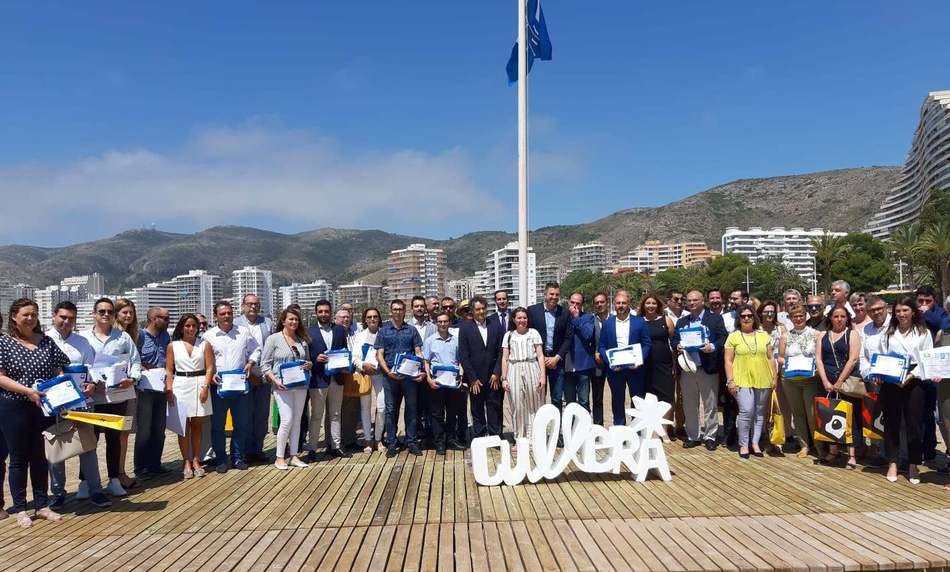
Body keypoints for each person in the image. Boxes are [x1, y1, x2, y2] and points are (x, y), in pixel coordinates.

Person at [0, 299, 71, 528]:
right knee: (18, 459)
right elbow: (0, 377)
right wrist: (27, 391)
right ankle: (20, 508)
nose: (30, 319)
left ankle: (42, 505)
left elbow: (60, 368)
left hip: (44, 407)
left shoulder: (47, 342)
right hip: (14, 406)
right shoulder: (3, 343)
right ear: (14, 316)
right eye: (26, 315)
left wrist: (64, 392)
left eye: (34, 314)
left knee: (41, 456)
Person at [46, 302, 111, 510]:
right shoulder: (43, 340)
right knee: (56, 449)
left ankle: (96, 490)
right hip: (55, 403)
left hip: (82, 402)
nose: (66, 322)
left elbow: (92, 369)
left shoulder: (83, 342)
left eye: (71, 318)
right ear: (54, 315)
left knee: (88, 447)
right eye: (63, 317)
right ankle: (57, 493)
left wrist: (92, 384)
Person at [867, 296, 936, 484]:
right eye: (898, 311)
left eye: (905, 310)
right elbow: (880, 357)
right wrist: (881, 375)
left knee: (914, 424)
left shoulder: (923, 332)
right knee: (891, 423)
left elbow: (926, 359)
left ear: (913, 311)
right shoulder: (889, 333)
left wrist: (911, 376)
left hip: (915, 380)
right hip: (892, 380)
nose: (901, 314)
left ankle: (914, 464)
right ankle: (893, 462)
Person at [82, 297, 141, 497]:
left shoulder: (123, 337)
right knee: (90, 440)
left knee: (114, 439)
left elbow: (135, 361)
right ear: (94, 314)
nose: (106, 314)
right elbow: (83, 364)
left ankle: (114, 479)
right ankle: (84, 482)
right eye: (101, 311)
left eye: (109, 311)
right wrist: (90, 383)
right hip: (93, 398)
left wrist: (132, 378)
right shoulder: (84, 338)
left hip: (117, 396)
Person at [205, 301, 258, 473]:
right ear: (216, 316)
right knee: (217, 426)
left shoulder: (243, 332)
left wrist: (251, 362)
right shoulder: (209, 335)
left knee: (241, 424)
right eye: (222, 314)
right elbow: (205, 360)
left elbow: (256, 349)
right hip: (218, 386)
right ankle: (221, 459)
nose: (227, 316)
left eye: (229, 313)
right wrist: (210, 374)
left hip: (240, 386)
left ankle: (238, 457)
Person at [671, 290, 728, 450]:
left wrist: (713, 346)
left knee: (710, 405)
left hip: (707, 368)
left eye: (695, 300)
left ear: (703, 301)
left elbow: (723, 337)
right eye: (689, 301)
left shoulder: (715, 319)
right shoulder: (682, 321)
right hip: (688, 369)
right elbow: (674, 338)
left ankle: (710, 436)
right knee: (689, 404)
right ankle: (693, 436)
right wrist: (677, 345)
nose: (691, 303)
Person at [262, 307, 313, 470]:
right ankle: (279, 457)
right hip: (281, 386)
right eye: (290, 319)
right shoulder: (273, 339)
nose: (294, 322)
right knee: (286, 420)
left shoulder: (302, 340)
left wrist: (309, 365)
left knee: (297, 420)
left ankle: (294, 455)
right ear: (283, 321)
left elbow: (308, 361)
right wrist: (274, 380)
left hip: (301, 385)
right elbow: (264, 364)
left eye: (296, 319)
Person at [165, 314, 214, 479]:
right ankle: (186, 460)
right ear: (181, 327)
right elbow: (169, 370)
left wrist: (206, 387)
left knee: (197, 426)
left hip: (200, 383)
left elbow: (209, 368)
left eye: (194, 325)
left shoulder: (204, 344)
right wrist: (169, 389)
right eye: (187, 325)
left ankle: (196, 459)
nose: (191, 328)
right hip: (180, 384)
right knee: (183, 427)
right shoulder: (173, 346)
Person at [724, 305, 776, 459]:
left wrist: (774, 377)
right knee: (746, 411)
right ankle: (744, 444)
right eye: (743, 316)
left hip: (763, 377)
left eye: (749, 316)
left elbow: (770, 358)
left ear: (754, 318)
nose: (746, 318)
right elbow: (728, 360)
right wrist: (730, 380)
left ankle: (755, 443)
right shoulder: (733, 336)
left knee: (760, 412)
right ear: (739, 319)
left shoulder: (763, 335)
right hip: (741, 378)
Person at [376, 299, 425, 457]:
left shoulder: (411, 330)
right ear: (391, 311)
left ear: (405, 311)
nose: (397, 312)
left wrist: (420, 371)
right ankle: (392, 442)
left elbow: (418, 352)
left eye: (400, 309)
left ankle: (411, 441)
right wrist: (387, 371)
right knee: (391, 410)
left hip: (409, 376)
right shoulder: (383, 331)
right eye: (395, 309)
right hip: (390, 376)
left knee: (411, 408)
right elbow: (379, 354)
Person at [814, 306, 863, 468]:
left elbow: (853, 359)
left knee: (851, 417)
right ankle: (833, 450)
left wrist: (840, 381)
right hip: (827, 380)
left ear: (847, 318)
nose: (839, 319)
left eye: (843, 316)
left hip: (847, 381)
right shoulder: (823, 335)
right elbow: (819, 359)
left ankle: (852, 454)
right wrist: (825, 381)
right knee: (829, 415)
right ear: (830, 318)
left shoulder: (852, 334)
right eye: (836, 316)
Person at [597, 290, 653, 427]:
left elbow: (647, 344)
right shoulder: (607, 324)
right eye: (618, 303)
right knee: (617, 400)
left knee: (638, 401)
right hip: (615, 370)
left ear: (628, 304)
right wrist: (609, 360)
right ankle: (620, 430)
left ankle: (638, 430)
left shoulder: (639, 322)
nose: (621, 305)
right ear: (614, 305)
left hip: (635, 369)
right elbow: (602, 346)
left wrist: (639, 360)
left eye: (624, 303)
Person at [305, 300, 349, 460]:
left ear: (331, 312)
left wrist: (345, 363)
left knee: (336, 414)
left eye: (326, 311)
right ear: (316, 313)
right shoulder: (309, 332)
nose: (323, 314)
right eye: (320, 311)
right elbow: (306, 356)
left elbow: (344, 351)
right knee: (317, 415)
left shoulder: (339, 330)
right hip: (318, 379)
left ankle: (336, 446)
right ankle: (312, 449)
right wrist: (316, 358)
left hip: (337, 378)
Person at [234, 294, 274, 464]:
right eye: (249, 304)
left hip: (264, 375)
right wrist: (249, 375)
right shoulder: (235, 323)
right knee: (244, 416)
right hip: (243, 376)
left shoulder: (268, 323)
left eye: (256, 304)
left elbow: (271, 348)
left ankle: (257, 449)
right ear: (243, 306)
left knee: (261, 415)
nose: (253, 307)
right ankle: (242, 451)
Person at [459, 296, 505, 440]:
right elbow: (464, 355)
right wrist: (472, 378)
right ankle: (479, 435)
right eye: (478, 309)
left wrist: (497, 373)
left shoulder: (496, 325)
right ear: (472, 311)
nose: (481, 311)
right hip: (475, 378)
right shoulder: (465, 328)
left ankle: (495, 435)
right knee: (477, 408)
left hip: (493, 377)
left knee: (494, 406)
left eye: (483, 308)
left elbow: (501, 351)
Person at [779, 303, 820, 458]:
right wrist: (786, 362)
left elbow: (819, 356)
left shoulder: (816, 334)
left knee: (811, 413)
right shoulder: (785, 336)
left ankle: (818, 445)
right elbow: (781, 357)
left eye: (801, 315)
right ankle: (804, 445)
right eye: (794, 316)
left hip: (810, 379)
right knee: (798, 413)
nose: (798, 319)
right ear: (790, 318)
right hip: (790, 379)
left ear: (805, 316)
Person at [134, 306, 171, 479]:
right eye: (165, 318)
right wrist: (142, 369)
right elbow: (134, 360)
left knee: (159, 427)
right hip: (146, 387)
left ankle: (155, 463)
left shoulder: (165, 336)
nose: (168, 320)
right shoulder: (140, 336)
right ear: (154, 319)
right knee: (144, 429)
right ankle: (140, 467)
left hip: (162, 386)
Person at [423, 312, 465, 455]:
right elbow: (426, 362)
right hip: (437, 382)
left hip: (452, 382)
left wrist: (461, 376)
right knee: (437, 414)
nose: (442, 324)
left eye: (445, 321)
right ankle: (440, 442)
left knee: (452, 412)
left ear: (449, 322)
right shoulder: (429, 341)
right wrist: (428, 379)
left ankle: (451, 439)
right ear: (436, 323)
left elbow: (461, 361)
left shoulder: (456, 340)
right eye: (440, 321)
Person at [500, 307, 546, 440]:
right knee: (517, 405)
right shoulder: (508, 335)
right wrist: (504, 378)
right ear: (514, 319)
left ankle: (534, 437)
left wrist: (542, 376)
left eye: (524, 318)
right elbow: (505, 358)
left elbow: (540, 356)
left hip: (531, 366)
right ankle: (519, 437)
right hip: (514, 368)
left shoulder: (534, 333)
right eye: (519, 318)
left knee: (534, 403)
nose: (522, 320)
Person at [916, 285, 950, 460]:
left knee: (933, 414)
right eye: (920, 301)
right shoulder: (911, 312)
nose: (923, 304)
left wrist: (925, 313)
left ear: (934, 301)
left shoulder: (940, 314)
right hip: (916, 370)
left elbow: (945, 325)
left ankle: (929, 450)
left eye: (927, 301)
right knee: (919, 413)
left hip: (936, 372)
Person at [527, 282, 571, 415]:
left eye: (557, 294)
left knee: (557, 398)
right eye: (551, 294)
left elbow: (568, 338)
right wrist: (540, 357)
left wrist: (557, 358)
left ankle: (556, 430)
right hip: (537, 361)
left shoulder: (564, 312)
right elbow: (528, 336)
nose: (554, 297)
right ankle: (539, 428)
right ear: (545, 295)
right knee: (538, 397)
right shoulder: (532, 311)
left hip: (557, 362)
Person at [858, 295, 890, 467]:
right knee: (876, 416)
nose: (876, 312)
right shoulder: (866, 329)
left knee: (895, 416)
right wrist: (869, 374)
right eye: (872, 310)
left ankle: (898, 453)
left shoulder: (895, 324)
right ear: (868, 312)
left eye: (879, 308)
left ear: (885, 307)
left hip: (895, 380)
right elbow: (862, 356)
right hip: (874, 380)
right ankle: (879, 452)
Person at [757, 300, 793, 453]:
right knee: (763, 406)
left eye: (772, 311)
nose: (770, 314)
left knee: (780, 405)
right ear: (761, 313)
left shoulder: (781, 328)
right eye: (766, 311)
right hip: (760, 369)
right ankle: (766, 436)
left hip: (779, 370)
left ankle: (780, 438)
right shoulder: (756, 328)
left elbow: (786, 347)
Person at [113, 298, 140, 489]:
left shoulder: (131, 335)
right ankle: (117, 473)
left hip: (128, 388)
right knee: (114, 435)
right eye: (124, 312)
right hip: (109, 390)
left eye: (131, 313)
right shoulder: (115, 336)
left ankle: (120, 471)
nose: (128, 316)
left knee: (124, 434)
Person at [639, 294, 675, 435]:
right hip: (645, 365)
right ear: (643, 306)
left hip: (664, 364)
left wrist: (674, 365)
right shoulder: (639, 322)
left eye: (653, 303)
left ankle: (664, 430)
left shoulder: (666, 320)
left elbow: (673, 342)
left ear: (658, 305)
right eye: (648, 303)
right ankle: (651, 429)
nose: (651, 305)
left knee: (666, 397)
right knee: (648, 397)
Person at [352, 307, 386, 452]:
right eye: (369, 317)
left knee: (382, 406)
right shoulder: (359, 336)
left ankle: (378, 439)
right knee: (365, 408)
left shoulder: (384, 334)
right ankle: (367, 440)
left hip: (380, 375)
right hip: (364, 375)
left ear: (379, 319)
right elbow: (354, 358)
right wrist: (363, 365)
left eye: (375, 317)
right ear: (365, 320)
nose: (372, 319)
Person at [409, 296, 437, 449]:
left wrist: (428, 371)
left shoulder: (432, 326)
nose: (419, 309)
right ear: (412, 308)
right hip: (411, 374)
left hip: (429, 372)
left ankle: (430, 436)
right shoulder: (406, 326)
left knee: (429, 406)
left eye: (421, 306)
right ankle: (414, 436)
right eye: (416, 306)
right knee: (413, 407)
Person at [564, 292, 596, 412]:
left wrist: (577, 318)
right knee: (569, 402)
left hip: (583, 366)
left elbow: (588, 335)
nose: (575, 306)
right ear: (568, 302)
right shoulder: (563, 317)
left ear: (582, 305)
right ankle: (571, 428)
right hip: (566, 365)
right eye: (572, 302)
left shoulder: (588, 317)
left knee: (584, 401)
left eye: (578, 303)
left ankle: (585, 427)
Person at [590, 292, 610, 426]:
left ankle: (621, 427)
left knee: (619, 396)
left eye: (602, 302)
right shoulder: (591, 320)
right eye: (596, 303)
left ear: (607, 302)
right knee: (597, 397)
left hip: (615, 363)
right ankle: (598, 426)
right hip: (597, 364)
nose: (599, 304)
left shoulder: (615, 319)